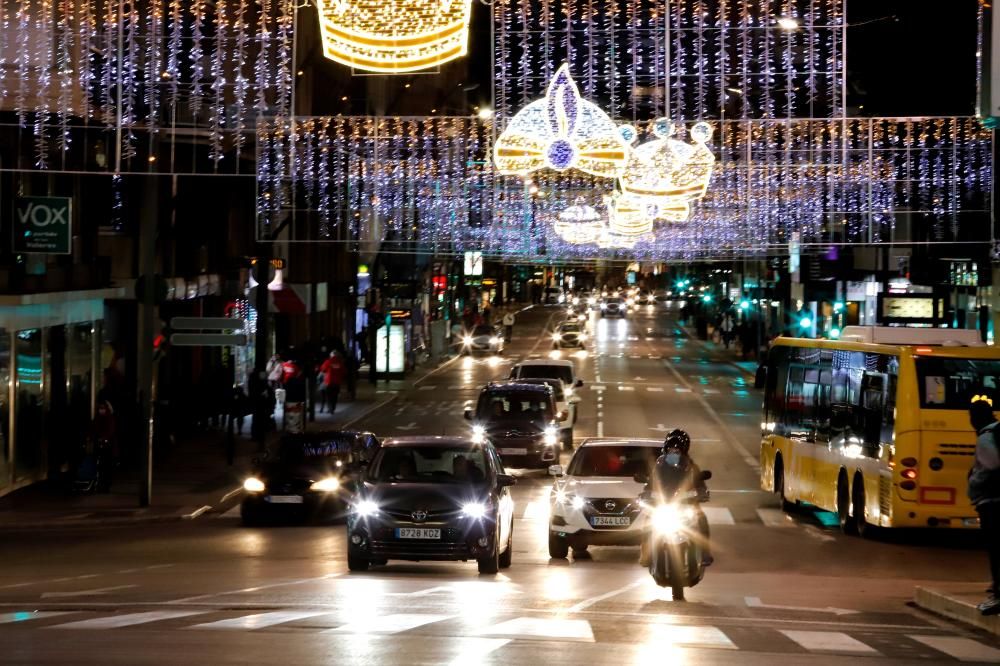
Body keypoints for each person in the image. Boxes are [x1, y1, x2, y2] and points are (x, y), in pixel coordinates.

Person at [641, 429, 712, 567]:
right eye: (672, 448)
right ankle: (646, 554)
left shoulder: (691, 467)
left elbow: (700, 483)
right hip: (663, 504)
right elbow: (650, 483)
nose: (674, 451)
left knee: (701, 519)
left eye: (678, 448)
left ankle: (704, 553)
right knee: (648, 521)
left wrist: (702, 493)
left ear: (684, 449)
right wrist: (646, 493)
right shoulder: (659, 466)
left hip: (686, 504)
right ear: (666, 448)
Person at [968, 391, 1000, 616]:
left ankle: (998, 592)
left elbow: (991, 465)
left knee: (995, 548)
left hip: (991, 501)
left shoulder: (986, 437)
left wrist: (972, 482)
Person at [318, 350, 346, 414]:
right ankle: (333, 407)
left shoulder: (328, 362)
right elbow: (344, 372)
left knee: (329, 396)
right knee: (335, 395)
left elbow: (323, 369)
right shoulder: (340, 362)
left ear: (331, 355)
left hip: (329, 382)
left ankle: (330, 408)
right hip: (337, 382)